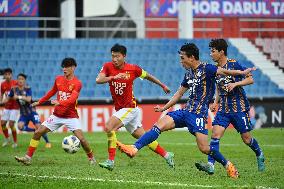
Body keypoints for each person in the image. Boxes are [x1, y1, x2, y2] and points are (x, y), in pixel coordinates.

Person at [116, 43, 256, 178]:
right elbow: (178, 94)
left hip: (198, 115)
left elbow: (225, 71)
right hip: (185, 112)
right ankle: (134, 148)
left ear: (192, 57)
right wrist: (164, 108)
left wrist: (242, 72)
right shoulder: (188, 74)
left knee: (204, 148)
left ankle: (228, 165)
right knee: (160, 124)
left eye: (182, 58)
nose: (181, 61)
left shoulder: (207, 68)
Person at [96, 44, 174, 171]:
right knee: (143, 137)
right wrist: (113, 77)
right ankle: (166, 155)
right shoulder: (108, 66)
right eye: (113, 56)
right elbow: (98, 80)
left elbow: (148, 76)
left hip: (130, 108)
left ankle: (110, 161)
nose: (114, 59)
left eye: (117, 56)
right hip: (123, 109)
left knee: (109, 127)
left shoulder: (133, 69)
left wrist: (162, 85)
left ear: (124, 56)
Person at [195, 39, 265, 175]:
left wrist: (236, 84)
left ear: (221, 52)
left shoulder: (234, 64)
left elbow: (250, 79)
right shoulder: (216, 69)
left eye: (213, 51)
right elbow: (219, 88)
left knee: (246, 139)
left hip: (239, 108)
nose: (211, 54)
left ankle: (259, 153)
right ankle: (210, 165)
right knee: (215, 135)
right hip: (224, 109)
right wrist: (215, 102)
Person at [15, 58, 96, 165]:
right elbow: (51, 92)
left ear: (73, 68)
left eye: (67, 66)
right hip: (57, 115)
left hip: (71, 117)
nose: (64, 69)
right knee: (38, 132)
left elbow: (72, 100)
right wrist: (39, 102)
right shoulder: (58, 79)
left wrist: (60, 102)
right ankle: (27, 157)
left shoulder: (77, 83)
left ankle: (91, 159)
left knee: (82, 140)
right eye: (63, 66)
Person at [5, 73, 51, 148]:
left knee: (39, 127)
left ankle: (47, 142)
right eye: (19, 79)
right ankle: (33, 130)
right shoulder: (14, 89)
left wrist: (18, 97)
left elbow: (29, 99)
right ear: (17, 80)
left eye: (22, 79)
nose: (20, 80)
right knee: (20, 127)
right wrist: (5, 99)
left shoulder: (28, 88)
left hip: (32, 112)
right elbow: (8, 98)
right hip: (23, 114)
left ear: (25, 81)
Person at [0, 68, 19, 148]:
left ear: (11, 75)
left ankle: (15, 142)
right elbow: (2, 94)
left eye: (9, 74)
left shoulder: (15, 83)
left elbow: (16, 95)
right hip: (7, 107)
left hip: (14, 107)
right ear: (4, 75)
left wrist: (8, 98)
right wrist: (1, 100)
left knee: (11, 124)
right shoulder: (2, 84)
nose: (7, 76)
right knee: (3, 123)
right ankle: (7, 139)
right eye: (6, 74)